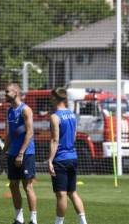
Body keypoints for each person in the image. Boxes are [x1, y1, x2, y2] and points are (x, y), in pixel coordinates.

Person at [48, 87, 88, 224]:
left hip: (60, 159)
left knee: (61, 194)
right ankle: (83, 221)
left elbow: (54, 140)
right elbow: (74, 136)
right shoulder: (72, 115)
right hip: (72, 157)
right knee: (72, 192)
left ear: (54, 98)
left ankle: (58, 222)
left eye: (51, 97)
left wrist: (49, 161)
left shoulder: (55, 117)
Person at [4, 83, 38, 224]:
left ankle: (33, 219)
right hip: (12, 153)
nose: (5, 95)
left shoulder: (26, 110)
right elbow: (10, 133)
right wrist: (5, 149)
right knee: (13, 185)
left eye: (7, 92)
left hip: (26, 153)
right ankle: (19, 218)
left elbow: (29, 133)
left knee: (27, 186)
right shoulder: (9, 110)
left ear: (16, 92)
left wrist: (21, 153)